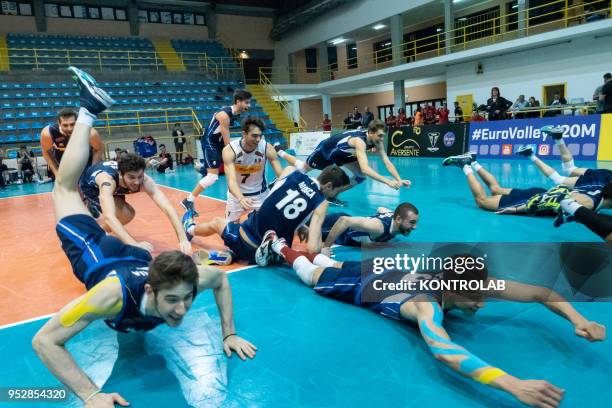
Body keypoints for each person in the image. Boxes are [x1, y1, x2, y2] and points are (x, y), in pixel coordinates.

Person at [32, 66, 256, 407]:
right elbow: (44, 341)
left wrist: (230, 333)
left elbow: (222, 282)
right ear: (150, 290)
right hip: (95, 247)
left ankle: (89, 111)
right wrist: (91, 395)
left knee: (120, 215)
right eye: (172, 301)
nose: (182, 310)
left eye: (187, 298)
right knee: (63, 187)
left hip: (134, 257)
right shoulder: (108, 298)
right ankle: (87, 110)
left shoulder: (180, 282)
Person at [262, 235, 605, 408]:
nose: (481, 301)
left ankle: (313, 250)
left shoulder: (468, 283)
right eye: (473, 296)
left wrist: (580, 319)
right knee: (312, 275)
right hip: (368, 285)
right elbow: (443, 349)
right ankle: (279, 246)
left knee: (333, 262)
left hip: (393, 272)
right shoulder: (426, 305)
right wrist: (513, 383)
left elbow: (540, 292)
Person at [182, 165, 350, 265]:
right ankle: (232, 255)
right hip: (274, 255)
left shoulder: (291, 171)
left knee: (218, 222)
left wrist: (301, 225)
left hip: (247, 240)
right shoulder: (322, 203)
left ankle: (190, 229)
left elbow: (279, 203)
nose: (336, 196)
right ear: (328, 186)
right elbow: (313, 248)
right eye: (337, 192)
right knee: (254, 238)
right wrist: (322, 250)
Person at [274, 120, 411, 206]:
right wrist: (387, 182)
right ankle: (281, 152)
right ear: (370, 132)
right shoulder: (360, 142)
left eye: (383, 136)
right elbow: (365, 168)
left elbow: (387, 162)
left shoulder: (376, 140)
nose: (382, 139)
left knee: (360, 177)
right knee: (302, 167)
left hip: (345, 155)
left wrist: (399, 179)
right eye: (380, 136)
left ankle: (333, 194)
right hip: (327, 152)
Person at [79, 153, 191, 255]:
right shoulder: (107, 181)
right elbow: (109, 217)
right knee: (122, 215)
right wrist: (133, 244)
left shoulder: (145, 181)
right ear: (121, 175)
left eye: (140, 176)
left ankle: (97, 232)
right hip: (91, 187)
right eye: (131, 177)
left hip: (117, 188)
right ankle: (90, 230)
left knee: (127, 214)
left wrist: (183, 239)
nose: (137, 182)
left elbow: (168, 208)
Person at [181, 89, 252, 216]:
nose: (249, 105)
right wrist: (234, 154)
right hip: (210, 142)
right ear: (238, 102)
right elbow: (226, 142)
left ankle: (203, 169)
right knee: (213, 177)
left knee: (231, 169)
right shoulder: (225, 115)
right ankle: (188, 200)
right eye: (246, 102)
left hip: (216, 142)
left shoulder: (233, 114)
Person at [516, 125, 612, 211]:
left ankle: (558, 138)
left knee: (571, 169)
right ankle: (530, 154)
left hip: (607, 174)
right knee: (559, 179)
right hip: (603, 184)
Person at [222, 116, 283, 222]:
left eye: (260, 136)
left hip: (261, 195)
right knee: (231, 232)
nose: (258, 139)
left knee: (269, 228)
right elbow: (231, 181)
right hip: (236, 196)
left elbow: (281, 174)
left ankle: (253, 216)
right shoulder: (230, 150)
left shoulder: (266, 148)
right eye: (254, 136)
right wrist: (240, 198)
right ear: (244, 134)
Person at [297, 202, 419, 247]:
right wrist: (326, 247)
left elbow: (381, 209)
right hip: (336, 229)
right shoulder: (379, 228)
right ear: (398, 219)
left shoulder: (392, 215)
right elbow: (344, 221)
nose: (415, 227)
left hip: (345, 222)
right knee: (298, 223)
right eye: (411, 223)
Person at [40, 108, 104, 181]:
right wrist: (56, 173)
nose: (69, 128)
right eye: (65, 125)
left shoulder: (89, 132)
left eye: (72, 124)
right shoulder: (48, 133)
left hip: (86, 162)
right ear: (59, 123)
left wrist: (92, 170)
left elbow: (98, 148)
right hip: (63, 165)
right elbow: (46, 151)